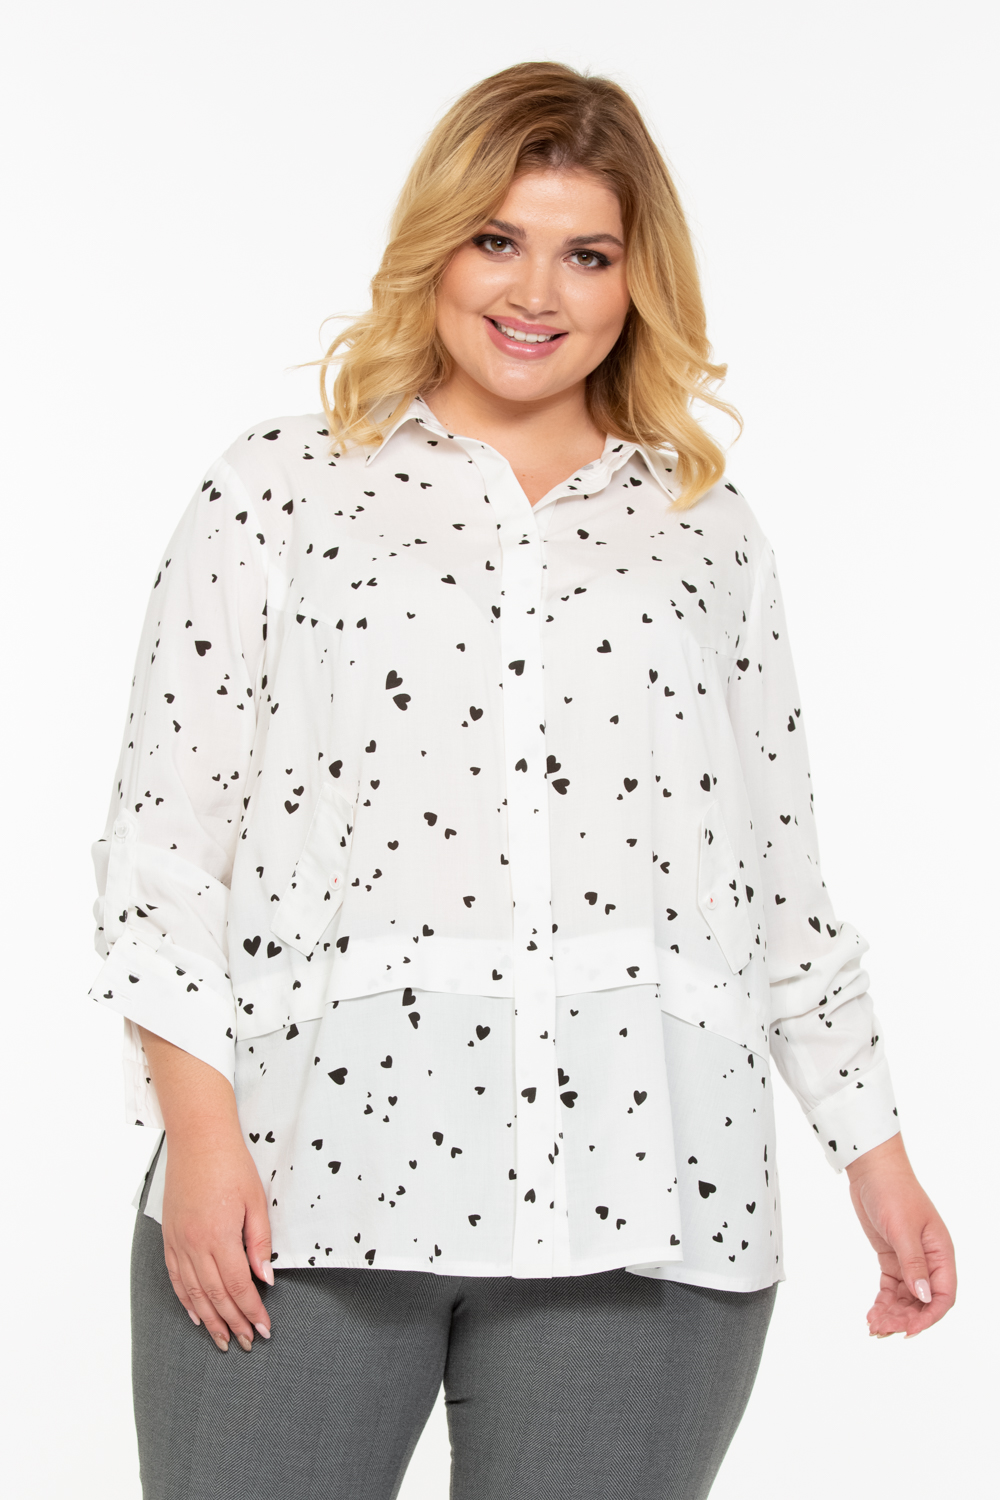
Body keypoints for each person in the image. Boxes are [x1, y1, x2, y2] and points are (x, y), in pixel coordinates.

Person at [90, 60, 956, 1500]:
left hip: (649, 1202)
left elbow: (774, 872)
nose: (535, 291)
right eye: (498, 239)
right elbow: (161, 850)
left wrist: (876, 1154)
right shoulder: (279, 490)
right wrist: (200, 1137)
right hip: (305, 1186)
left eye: (588, 253)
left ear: (638, 280)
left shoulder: (704, 532)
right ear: (437, 245)